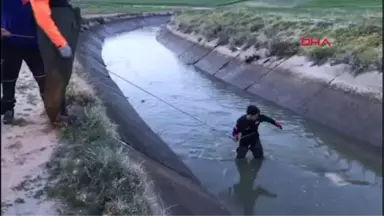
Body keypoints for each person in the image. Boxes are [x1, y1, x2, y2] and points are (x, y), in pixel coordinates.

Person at [29, 0, 81, 126]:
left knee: (63, 75)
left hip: (63, 33)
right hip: (55, 39)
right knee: (55, 76)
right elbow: (42, 17)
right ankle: (56, 118)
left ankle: (62, 113)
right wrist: (60, 44)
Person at [1, 0, 46, 124]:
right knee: (8, 80)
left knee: (43, 79)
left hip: (34, 48)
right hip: (9, 46)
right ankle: (8, 110)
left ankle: (52, 109)